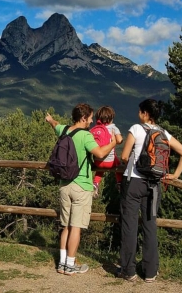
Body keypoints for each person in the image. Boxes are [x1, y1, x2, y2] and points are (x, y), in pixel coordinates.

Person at [118, 99, 182, 283]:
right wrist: (174, 175)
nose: (138, 114)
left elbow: (125, 156)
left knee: (130, 226)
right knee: (150, 226)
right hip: (154, 185)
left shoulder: (136, 128)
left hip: (133, 183)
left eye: (140, 111)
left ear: (144, 113)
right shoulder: (164, 133)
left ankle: (129, 271)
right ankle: (150, 272)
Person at [45, 104, 116, 276]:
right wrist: (114, 142)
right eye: (90, 117)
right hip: (81, 186)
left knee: (66, 226)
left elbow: (55, 124)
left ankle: (62, 264)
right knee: (76, 226)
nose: (92, 120)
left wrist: (50, 119)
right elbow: (99, 154)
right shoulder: (86, 136)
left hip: (64, 185)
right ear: (83, 118)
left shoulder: (65, 130)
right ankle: (70, 265)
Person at [91, 105, 124, 198]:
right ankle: (119, 182)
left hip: (97, 162)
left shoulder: (96, 129)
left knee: (100, 171)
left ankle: (95, 183)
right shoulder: (113, 128)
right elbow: (119, 140)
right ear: (111, 118)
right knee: (118, 165)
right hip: (110, 162)